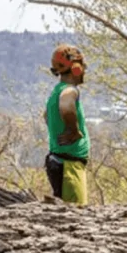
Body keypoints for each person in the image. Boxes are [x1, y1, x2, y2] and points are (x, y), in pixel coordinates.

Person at [45, 44, 90, 205]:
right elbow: (66, 105)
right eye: (83, 65)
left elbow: (46, 116)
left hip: (61, 163)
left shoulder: (56, 91)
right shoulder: (70, 90)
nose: (84, 69)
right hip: (68, 167)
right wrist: (73, 130)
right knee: (76, 214)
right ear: (76, 68)